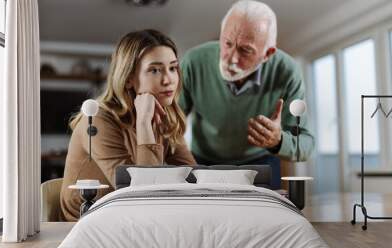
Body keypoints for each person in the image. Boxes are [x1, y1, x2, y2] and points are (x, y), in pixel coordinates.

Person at [60, 29, 196, 221]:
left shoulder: (165, 114)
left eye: (173, 68)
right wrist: (144, 124)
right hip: (88, 223)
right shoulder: (98, 119)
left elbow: (192, 177)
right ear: (129, 78)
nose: (168, 80)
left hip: (130, 218)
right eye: (155, 70)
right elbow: (139, 194)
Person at [179, 0, 314, 189]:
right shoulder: (193, 62)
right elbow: (171, 124)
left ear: (268, 54)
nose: (232, 58)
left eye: (246, 50)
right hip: (203, 161)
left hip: (260, 162)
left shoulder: (288, 72)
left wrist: (279, 141)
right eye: (227, 43)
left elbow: (306, 145)